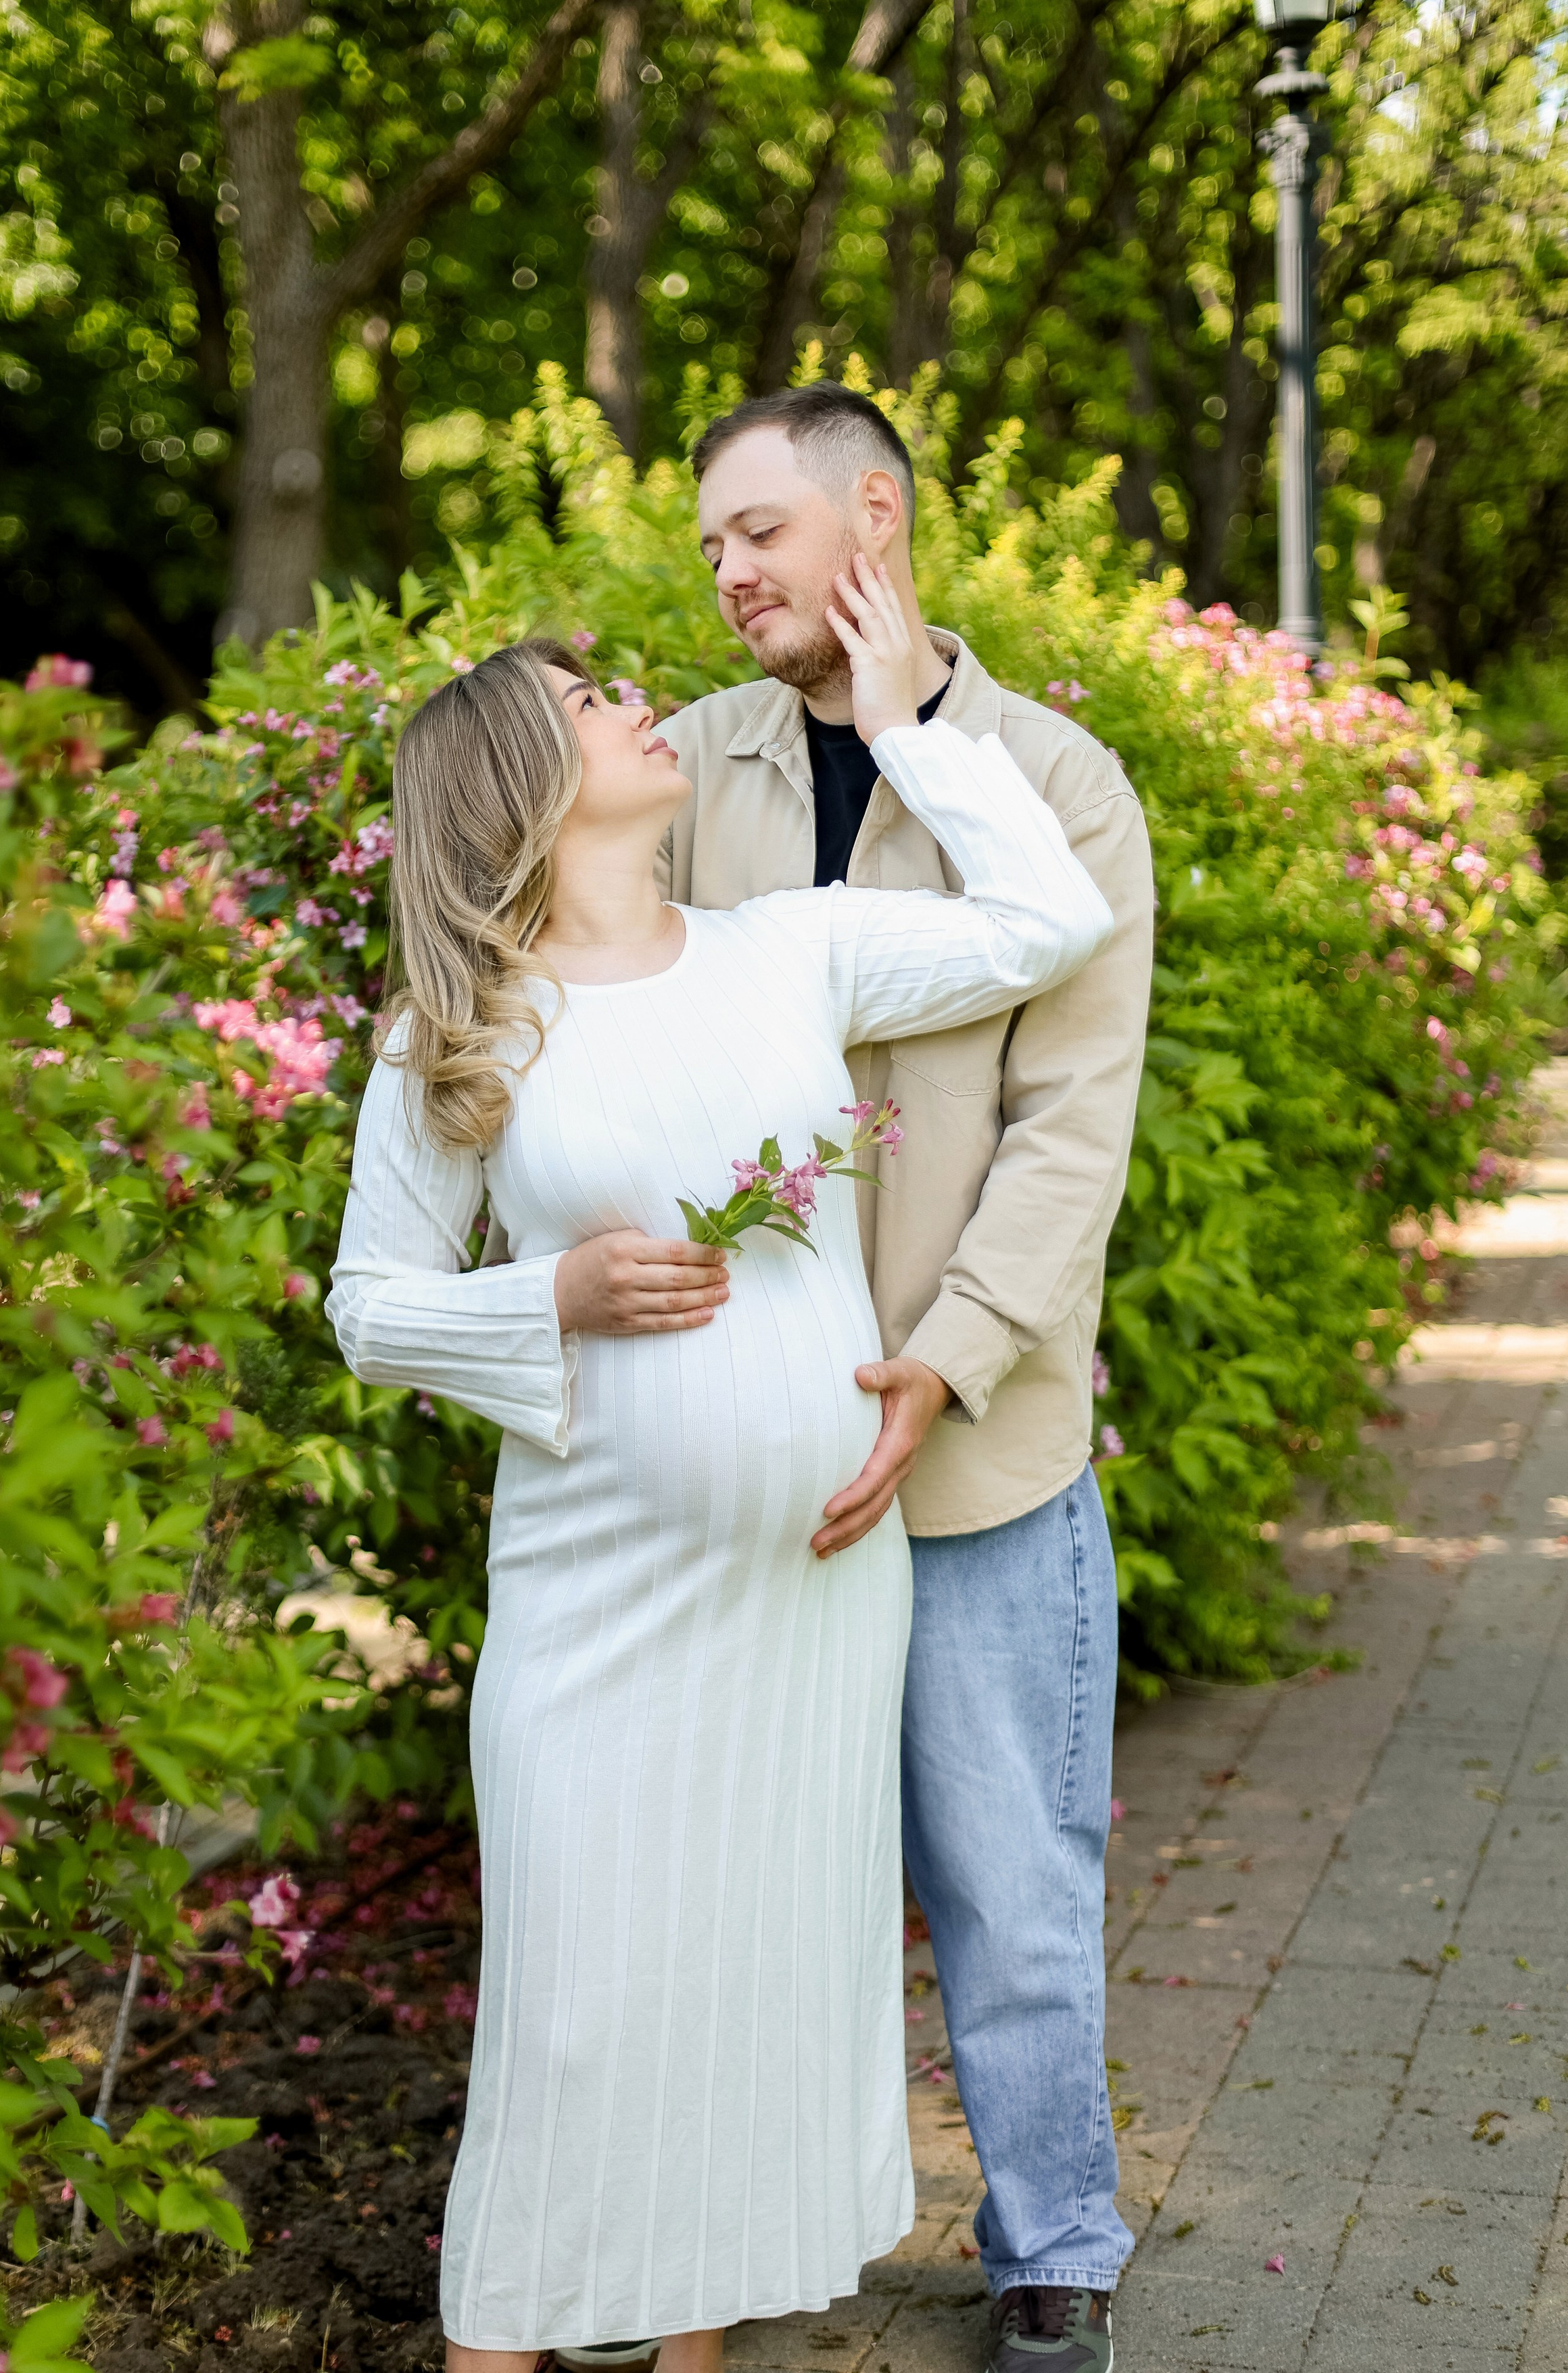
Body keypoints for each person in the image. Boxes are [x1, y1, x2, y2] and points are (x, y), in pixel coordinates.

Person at [326, 563, 1113, 2373]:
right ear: (524, 778)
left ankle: (698, 2356)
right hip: (603, 1613)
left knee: (754, 1998)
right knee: (580, 2017)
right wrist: (557, 1296)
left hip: (814, 1602)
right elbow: (371, 1307)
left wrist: (914, 724)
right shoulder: (467, 1033)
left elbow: (1041, 915)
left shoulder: (792, 948)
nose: (639, 708)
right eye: (593, 700)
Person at [652, 385, 1156, 2373]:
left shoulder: (1064, 782)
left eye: (757, 532)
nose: (729, 574)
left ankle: (1057, 2249)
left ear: (876, 512)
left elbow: (1070, 1131)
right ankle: (746, 2235)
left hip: (980, 1458)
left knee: (1013, 1890)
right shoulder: (685, 767)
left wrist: (931, 1374)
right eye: (710, 545)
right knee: (752, 1888)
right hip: (751, 1452)